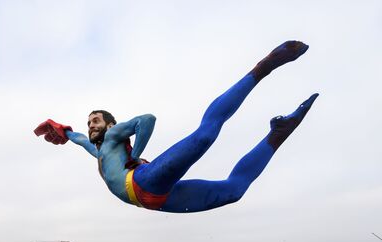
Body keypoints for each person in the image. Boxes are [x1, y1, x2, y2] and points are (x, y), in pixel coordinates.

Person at [34, 41, 318, 213]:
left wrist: (136, 154)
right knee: (234, 192)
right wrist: (64, 130)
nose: (91, 125)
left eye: (96, 120)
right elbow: (80, 138)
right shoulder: (98, 150)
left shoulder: (114, 135)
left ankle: (263, 68)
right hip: (156, 200)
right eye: (89, 122)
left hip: (144, 180)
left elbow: (147, 120)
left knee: (205, 136)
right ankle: (277, 134)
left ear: (110, 124)